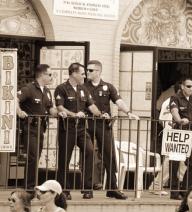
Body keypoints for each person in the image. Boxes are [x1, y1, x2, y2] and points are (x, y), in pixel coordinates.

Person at [85, 60, 138, 199]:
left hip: (104, 125)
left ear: (98, 72)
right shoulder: (83, 87)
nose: (87, 72)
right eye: (87, 70)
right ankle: (87, 188)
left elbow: (118, 100)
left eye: (91, 70)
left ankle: (112, 188)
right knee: (88, 154)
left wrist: (128, 112)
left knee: (109, 155)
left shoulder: (108, 87)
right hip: (88, 124)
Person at [54, 62, 102, 200]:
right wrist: (74, 115)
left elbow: (92, 106)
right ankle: (64, 190)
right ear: (74, 73)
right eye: (82, 73)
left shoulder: (83, 89)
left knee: (90, 151)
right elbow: (60, 107)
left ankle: (87, 188)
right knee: (65, 159)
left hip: (81, 129)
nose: (84, 76)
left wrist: (101, 114)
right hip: (67, 128)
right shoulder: (61, 88)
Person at [16, 64, 61, 194]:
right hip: (30, 127)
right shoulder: (29, 88)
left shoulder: (46, 91)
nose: (52, 77)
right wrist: (19, 111)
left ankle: (31, 185)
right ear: (42, 75)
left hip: (41, 128)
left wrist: (58, 113)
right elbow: (15, 100)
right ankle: (29, 188)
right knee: (33, 156)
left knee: (36, 156)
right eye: (50, 74)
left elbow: (50, 108)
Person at [149, 82, 186, 196]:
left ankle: (181, 184)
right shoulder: (177, 101)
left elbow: (161, 119)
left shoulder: (166, 101)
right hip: (175, 134)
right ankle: (156, 185)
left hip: (169, 133)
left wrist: (167, 127)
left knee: (181, 161)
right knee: (170, 161)